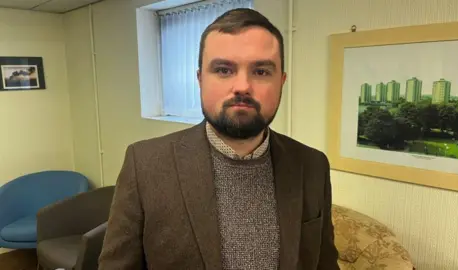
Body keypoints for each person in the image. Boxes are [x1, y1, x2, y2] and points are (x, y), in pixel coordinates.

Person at [98, 8, 339, 270]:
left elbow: (324, 262)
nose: (242, 86)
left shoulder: (312, 165)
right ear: (200, 79)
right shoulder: (145, 165)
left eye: (261, 72)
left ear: (281, 81)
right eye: (224, 70)